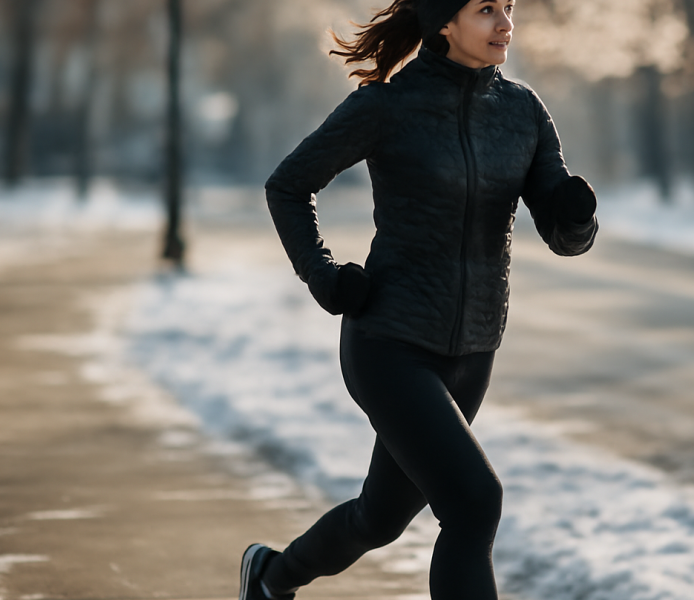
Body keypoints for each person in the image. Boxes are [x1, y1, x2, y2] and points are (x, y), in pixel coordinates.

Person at [239, 0, 597, 598]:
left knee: (379, 518)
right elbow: (288, 186)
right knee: (474, 503)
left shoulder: (523, 112)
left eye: (508, 7)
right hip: (390, 344)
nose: (506, 23)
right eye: (486, 9)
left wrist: (574, 217)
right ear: (444, 22)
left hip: (472, 350)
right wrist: (325, 278)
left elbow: (562, 234)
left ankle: (271, 578)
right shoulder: (388, 104)